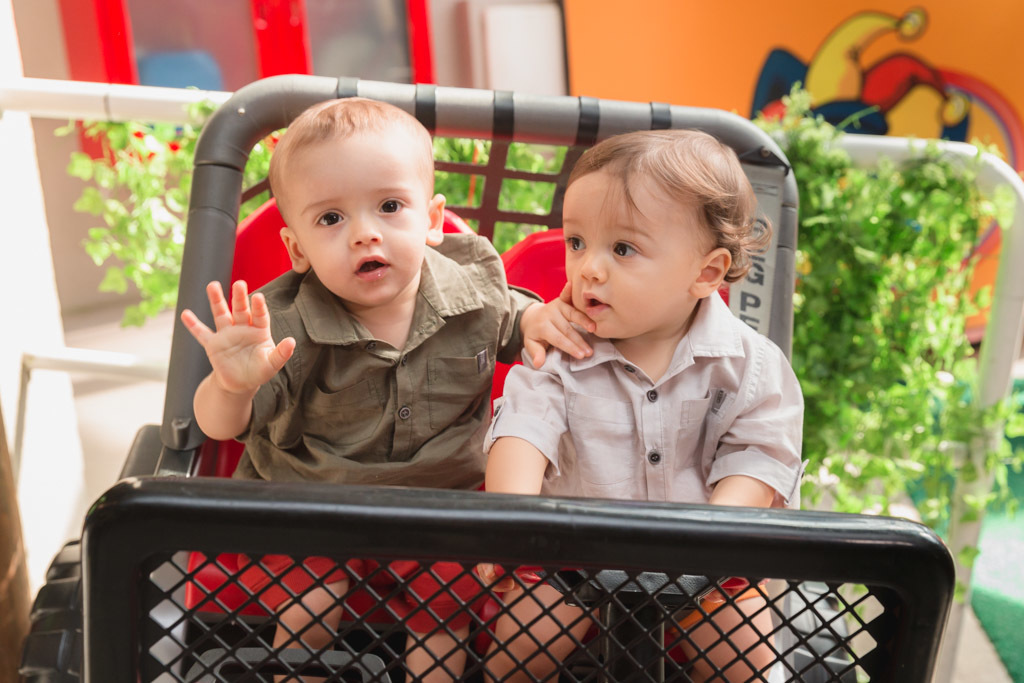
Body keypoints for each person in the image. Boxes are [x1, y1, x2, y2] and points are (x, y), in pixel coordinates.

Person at [180, 96, 595, 682]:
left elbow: (511, 316)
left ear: (431, 220)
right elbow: (218, 427)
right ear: (296, 248)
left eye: (390, 206)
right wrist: (231, 382)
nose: (364, 234)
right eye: (330, 219)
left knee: (445, 608)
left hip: (443, 505)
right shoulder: (279, 325)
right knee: (311, 601)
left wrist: (533, 321)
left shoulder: (474, 288)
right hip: (312, 503)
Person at [477, 129, 805, 682]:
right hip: (568, 562)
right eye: (577, 243)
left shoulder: (749, 365)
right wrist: (511, 525)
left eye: (622, 249)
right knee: (516, 656)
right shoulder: (563, 351)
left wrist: (711, 540)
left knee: (746, 659)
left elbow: (759, 457)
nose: (588, 269)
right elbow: (523, 432)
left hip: (706, 564)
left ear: (705, 273)